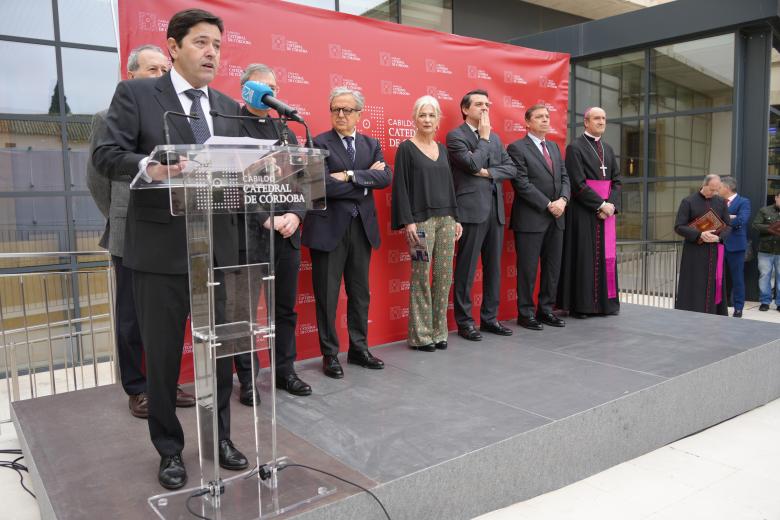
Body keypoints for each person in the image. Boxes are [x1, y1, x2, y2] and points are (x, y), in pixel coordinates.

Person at [93, 8, 247, 490]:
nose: (211, 53)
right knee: (162, 359)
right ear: (174, 46)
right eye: (201, 42)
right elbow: (106, 155)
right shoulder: (137, 95)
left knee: (221, 355)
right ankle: (169, 449)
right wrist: (151, 167)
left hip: (219, 251)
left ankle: (220, 438)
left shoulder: (224, 105)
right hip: (159, 253)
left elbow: (237, 171)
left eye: (218, 46)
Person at [87, 45, 196, 419]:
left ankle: (165, 383)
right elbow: (98, 178)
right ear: (131, 73)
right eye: (152, 69)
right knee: (132, 317)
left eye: (163, 69)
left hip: (172, 231)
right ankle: (137, 388)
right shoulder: (109, 116)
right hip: (129, 232)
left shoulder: (175, 117)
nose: (159, 75)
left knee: (168, 316)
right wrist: (121, 219)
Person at [228, 64, 311, 405]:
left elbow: (304, 179)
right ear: (247, 89)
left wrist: (296, 213)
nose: (270, 93)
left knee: (285, 309)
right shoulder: (230, 127)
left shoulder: (286, 130)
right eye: (263, 87)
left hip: (287, 235)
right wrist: (263, 217)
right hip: (249, 236)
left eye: (274, 87)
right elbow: (230, 182)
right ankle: (248, 380)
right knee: (244, 312)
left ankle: (285, 370)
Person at [302, 87, 390, 379]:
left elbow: (385, 177)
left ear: (359, 114)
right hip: (328, 230)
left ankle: (358, 349)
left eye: (347, 110)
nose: (341, 114)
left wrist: (351, 176)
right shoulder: (317, 142)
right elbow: (321, 186)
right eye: (336, 109)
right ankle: (330, 355)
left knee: (359, 293)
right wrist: (366, 180)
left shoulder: (371, 143)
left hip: (361, 228)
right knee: (327, 296)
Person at [391, 95, 462, 352]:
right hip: (420, 222)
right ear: (415, 119)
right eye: (423, 115)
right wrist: (408, 222)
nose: (427, 120)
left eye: (432, 115)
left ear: (438, 119)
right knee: (421, 275)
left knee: (444, 276)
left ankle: (439, 332)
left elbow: (450, 186)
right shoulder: (406, 149)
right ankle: (421, 336)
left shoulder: (442, 149)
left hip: (446, 219)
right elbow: (400, 188)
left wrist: (455, 218)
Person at [446, 89, 516, 341]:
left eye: (487, 104)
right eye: (479, 104)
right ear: (465, 109)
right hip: (470, 211)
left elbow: (511, 169)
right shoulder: (456, 136)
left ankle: (489, 319)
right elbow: (472, 164)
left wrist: (488, 173)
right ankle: (465, 322)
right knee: (465, 270)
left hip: (495, 212)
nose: (485, 108)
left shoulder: (496, 138)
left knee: (493, 269)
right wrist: (484, 140)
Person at [506, 104, 570, 331]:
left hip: (557, 218)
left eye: (547, 116)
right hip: (532, 219)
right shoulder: (516, 148)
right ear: (527, 122)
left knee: (552, 268)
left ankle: (546, 310)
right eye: (539, 117)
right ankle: (525, 314)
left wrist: (562, 200)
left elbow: (564, 177)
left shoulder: (554, 147)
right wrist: (547, 204)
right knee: (528, 269)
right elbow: (521, 183)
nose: (545, 120)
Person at [557, 107, 622, 319]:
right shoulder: (575, 148)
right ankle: (582, 306)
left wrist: (610, 205)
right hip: (583, 212)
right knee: (584, 257)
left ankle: (605, 304)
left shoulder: (609, 149)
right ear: (586, 122)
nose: (601, 121)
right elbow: (577, 183)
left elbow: (618, 182)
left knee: (606, 258)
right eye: (596, 118)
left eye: (604, 118)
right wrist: (600, 205)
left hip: (606, 214)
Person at [674, 174, 731, 315]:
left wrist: (719, 239)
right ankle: (692, 313)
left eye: (717, 190)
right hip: (694, 253)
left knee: (714, 284)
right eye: (712, 189)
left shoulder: (720, 202)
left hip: (714, 251)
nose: (714, 193)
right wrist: (699, 235)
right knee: (695, 284)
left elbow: (728, 226)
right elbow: (679, 227)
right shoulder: (688, 201)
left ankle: (715, 313)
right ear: (704, 185)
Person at [718, 176, 751, 317]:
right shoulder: (718, 202)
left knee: (737, 278)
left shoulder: (743, 201)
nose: (718, 189)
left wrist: (725, 219)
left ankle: (738, 308)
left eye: (720, 187)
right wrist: (731, 217)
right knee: (718, 277)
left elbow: (742, 220)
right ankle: (718, 306)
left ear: (727, 188)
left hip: (736, 247)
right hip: (718, 244)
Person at [752, 192, 780, 311]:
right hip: (765, 250)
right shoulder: (764, 210)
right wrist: (772, 228)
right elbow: (755, 225)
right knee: (764, 276)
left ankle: (779, 303)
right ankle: (765, 301)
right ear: (776, 198)